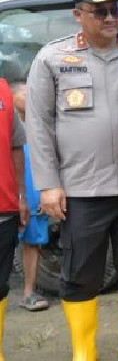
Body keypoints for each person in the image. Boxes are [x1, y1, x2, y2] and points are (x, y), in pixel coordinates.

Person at [25, 0, 118, 361]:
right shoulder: (52, 58)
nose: (110, 17)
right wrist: (48, 185)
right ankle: (83, 350)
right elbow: (38, 124)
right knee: (81, 273)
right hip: (82, 188)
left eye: (115, 10)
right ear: (78, 15)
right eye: (100, 11)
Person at [10, 80, 50, 312]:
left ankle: (29, 292)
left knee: (33, 240)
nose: (30, 97)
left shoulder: (42, 126)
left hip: (36, 190)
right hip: (11, 189)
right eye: (25, 93)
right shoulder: (8, 126)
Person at [0, 77, 29, 361]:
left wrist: (21, 197)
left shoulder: (4, 91)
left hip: (3, 206)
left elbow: (16, 146)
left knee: (0, 283)